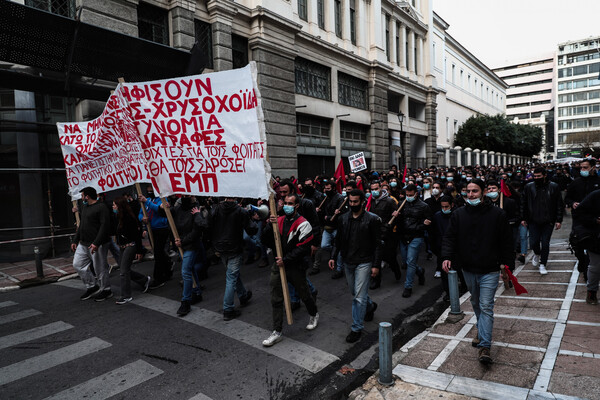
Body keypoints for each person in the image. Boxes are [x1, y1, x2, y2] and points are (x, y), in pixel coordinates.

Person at [441, 179, 513, 364]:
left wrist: (507, 264)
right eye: (468, 191)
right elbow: (450, 237)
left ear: (482, 193)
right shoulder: (458, 215)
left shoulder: (497, 214)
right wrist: (447, 256)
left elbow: (506, 240)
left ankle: (485, 346)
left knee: (486, 305)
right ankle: (482, 332)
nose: (471, 195)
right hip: (468, 268)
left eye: (475, 191)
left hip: (489, 268)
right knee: (475, 302)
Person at [261, 192, 319, 347]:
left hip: (294, 266)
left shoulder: (304, 224)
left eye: (290, 204)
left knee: (304, 293)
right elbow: (265, 240)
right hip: (278, 265)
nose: (286, 206)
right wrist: (268, 225)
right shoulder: (278, 221)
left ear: (297, 206)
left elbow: (303, 248)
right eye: (285, 203)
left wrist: (285, 260)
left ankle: (313, 314)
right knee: (276, 297)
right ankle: (277, 331)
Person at [330, 189, 383, 343]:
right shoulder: (343, 219)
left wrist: (376, 265)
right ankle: (370, 306)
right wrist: (333, 256)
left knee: (358, 298)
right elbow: (338, 240)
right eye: (350, 201)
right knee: (356, 291)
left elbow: (378, 244)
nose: (352, 204)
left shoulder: (372, 220)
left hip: (364, 262)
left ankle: (356, 328)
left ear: (362, 202)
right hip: (348, 261)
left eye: (355, 202)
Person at [204, 197, 257, 320]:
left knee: (232, 273)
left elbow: (207, 226)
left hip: (220, 248)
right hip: (233, 248)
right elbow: (252, 229)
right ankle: (228, 309)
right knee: (231, 277)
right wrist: (253, 219)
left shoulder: (215, 209)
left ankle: (243, 295)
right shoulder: (240, 211)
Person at [161, 195, 206, 316]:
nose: (185, 197)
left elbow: (197, 231)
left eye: (188, 195)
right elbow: (166, 214)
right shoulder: (178, 209)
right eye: (183, 194)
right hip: (181, 245)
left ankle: (185, 301)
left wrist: (183, 241)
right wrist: (163, 207)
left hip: (191, 245)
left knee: (185, 271)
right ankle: (196, 292)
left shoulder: (195, 210)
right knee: (190, 268)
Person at [71, 187, 112, 301]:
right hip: (83, 244)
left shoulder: (101, 207)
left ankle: (106, 289)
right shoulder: (85, 207)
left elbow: (104, 226)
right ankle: (92, 286)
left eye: (83, 195)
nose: (82, 197)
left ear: (87, 196)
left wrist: (96, 243)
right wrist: (75, 240)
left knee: (100, 268)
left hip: (96, 244)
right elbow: (81, 226)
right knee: (78, 265)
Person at [521, 167, 564, 275]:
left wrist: (559, 220)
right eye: (535, 176)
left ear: (544, 175)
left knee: (545, 243)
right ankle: (536, 253)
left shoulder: (553, 187)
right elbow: (524, 203)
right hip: (533, 220)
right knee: (534, 242)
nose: (536, 178)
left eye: (539, 176)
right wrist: (523, 218)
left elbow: (559, 204)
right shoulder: (528, 187)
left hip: (548, 220)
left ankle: (542, 264)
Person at [393, 184, 432, 298]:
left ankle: (408, 286)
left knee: (410, 261)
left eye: (411, 195)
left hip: (416, 236)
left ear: (416, 193)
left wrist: (423, 225)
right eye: (407, 195)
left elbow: (429, 220)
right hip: (403, 236)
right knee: (406, 262)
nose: (408, 197)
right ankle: (420, 271)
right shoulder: (401, 204)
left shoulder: (423, 206)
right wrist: (396, 216)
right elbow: (399, 221)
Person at [565, 158, 600, 279]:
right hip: (578, 218)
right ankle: (582, 260)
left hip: (594, 219)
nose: (582, 170)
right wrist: (572, 203)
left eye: (585, 167)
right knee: (577, 243)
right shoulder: (576, 182)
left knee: (592, 244)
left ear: (593, 168)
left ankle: (588, 271)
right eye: (581, 168)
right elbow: (567, 198)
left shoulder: (598, 182)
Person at [112, 196, 150, 305]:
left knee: (123, 271)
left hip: (131, 246)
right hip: (122, 247)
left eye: (114, 205)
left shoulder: (129, 218)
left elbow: (137, 236)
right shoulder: (117, 217)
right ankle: (143, 280)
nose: (113, 207)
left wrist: (139, 251)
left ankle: (126, 296)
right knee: (125, 269)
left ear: (120, 206)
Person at [369, 180, 401, 289]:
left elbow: (396, 217)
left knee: (389, 257)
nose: (374, 191)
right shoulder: (369, 202)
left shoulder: (389, 201)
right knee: (376, 257)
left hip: (387, 234)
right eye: (372, 189)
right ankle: (376, 280)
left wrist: (391, 224)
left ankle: (396, 270)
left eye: (376, 189)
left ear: (381, 189)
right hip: (374, 233)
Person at [139, 186, 173, 289]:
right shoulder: (148, 200)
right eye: (148, 189)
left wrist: (147, 202)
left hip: (161, 229)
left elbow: (159, 210)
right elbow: (140, 213)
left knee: (158, 253)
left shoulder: (162, 199)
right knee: (159, 251)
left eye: (151, 189)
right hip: (152, 229)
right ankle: (168, 268)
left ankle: (158, 278)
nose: (149, 191)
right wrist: (142, 218)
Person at [572, 189, 600, 304]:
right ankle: (591, 292)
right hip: (597, 238)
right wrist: (595, 220)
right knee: (595, 267)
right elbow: (579, 213)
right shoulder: (595, 195)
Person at [486, 180, 520, 272]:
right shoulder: (485, 203)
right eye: (489, 189)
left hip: (507, 233)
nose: (491, 190)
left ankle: (509, 274)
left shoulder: (509, 202)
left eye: (493, 188)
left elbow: (516, 217)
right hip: (492, 235)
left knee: (508, 255)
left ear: (499, 190)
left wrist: (505, 222)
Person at [318, 180, 346, 279]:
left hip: (336, 227)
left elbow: (342, 214)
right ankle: (335, 254)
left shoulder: (339, 198)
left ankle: (339, 269)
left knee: (337, 247)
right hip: (327, 227)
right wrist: (319, 211)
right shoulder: (325, 198)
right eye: (325, 188)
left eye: (328, 188)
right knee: (324, 245)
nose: (326, 190)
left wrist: (330, 217)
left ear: (334, 188)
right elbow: (322, 214)